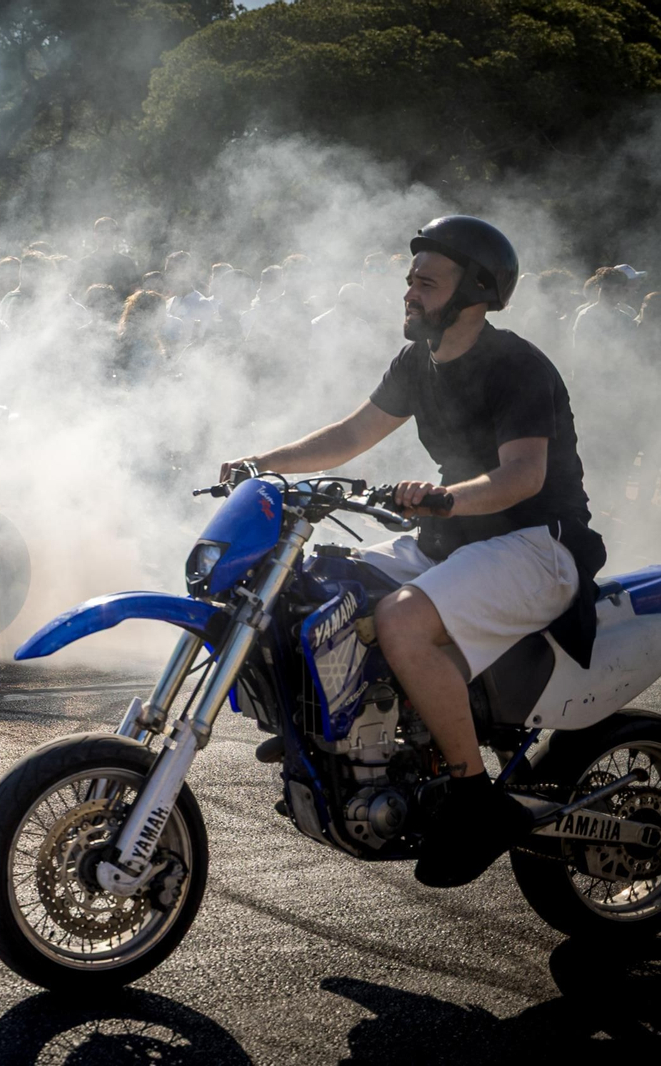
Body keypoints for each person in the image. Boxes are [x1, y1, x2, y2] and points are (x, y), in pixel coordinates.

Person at [221, 216, 604, 889]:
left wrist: (445, 499)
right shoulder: (417, 361)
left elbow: (523, 477)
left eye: (426, 283)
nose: (409, 292)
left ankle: (474, 797)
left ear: (474, 293)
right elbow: (350, 435)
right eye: (410, 280)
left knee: (400, 618)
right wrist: (261, 465)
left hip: (537, 545)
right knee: (318, 588)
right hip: (455, 541)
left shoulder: (516, 366)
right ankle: (329, 739)